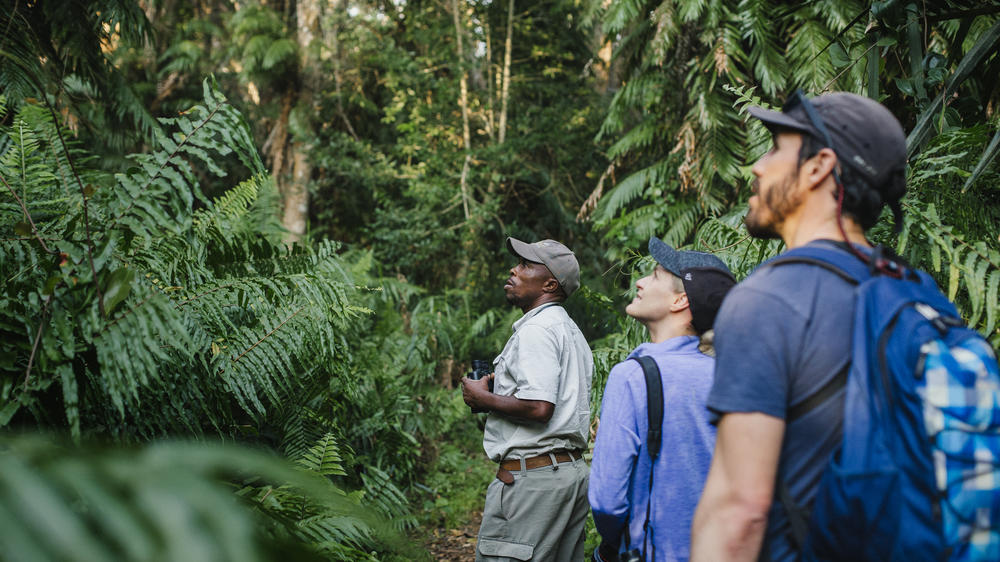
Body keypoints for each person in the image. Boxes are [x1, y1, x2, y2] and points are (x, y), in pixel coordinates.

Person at [690, 91, 908, 561]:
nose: (757, 167)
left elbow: (740, 512)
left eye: (774, 149)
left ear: (818, 167)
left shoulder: (768, 300)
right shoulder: (913, 291)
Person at [590, 237, 736, 562]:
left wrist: (614, 544)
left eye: (654, 275)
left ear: (680, 301)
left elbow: (606, 501)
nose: (640, 282)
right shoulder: (733, 377)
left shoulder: (632, 377)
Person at [462, 237, 594, 561]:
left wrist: (482, 400)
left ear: (550, 283)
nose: (514, 269)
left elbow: (540, 408)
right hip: (567, 475)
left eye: (524, 265)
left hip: (532, 483)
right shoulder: (568, 329)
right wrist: (500, 391)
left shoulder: (538, 330)